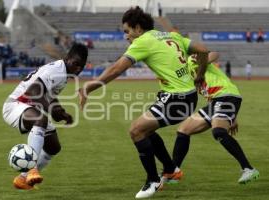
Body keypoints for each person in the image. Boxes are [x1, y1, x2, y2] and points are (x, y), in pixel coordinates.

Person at [78, 6, 209, 199]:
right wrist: (200, 75)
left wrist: (89, 87)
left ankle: (153, 180)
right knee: (146, 130)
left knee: (136, 131)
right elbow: (204, 50)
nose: (126, 36)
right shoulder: (170, 35)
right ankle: (171, 169)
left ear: (138, 28)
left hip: (177, 99)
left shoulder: (143, 41)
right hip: (185, 97)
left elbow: (116, 69)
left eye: (127, 31)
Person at [2, 43, 88, 190]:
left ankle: (22, 179)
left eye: (82, 66)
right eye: (76, 64)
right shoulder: (57, 70)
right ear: (67, 58)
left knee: (53, 147)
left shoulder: (64, 74)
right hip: (15, 105)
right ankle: (31, 169)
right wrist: (50, 110)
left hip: (29, 107)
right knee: (40, 119)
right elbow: (33, 92)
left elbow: (49, 97)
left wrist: (60, 112)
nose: (78, 69)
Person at [169, 52, 259, 185]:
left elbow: (214, 54)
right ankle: (172, 173)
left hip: (225, 95)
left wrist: (201, 66)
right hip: (215, 102)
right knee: (183, 130)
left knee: (218, 131)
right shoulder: (184, 73)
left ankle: (248, 169)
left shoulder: (191, 59)